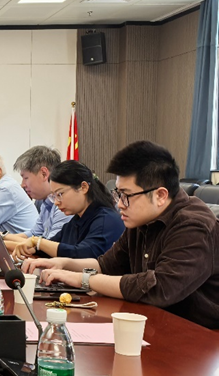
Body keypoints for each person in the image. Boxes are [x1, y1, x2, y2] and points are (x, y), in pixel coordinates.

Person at [24, 141, 219, 329]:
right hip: (151, 321)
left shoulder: (194, 225)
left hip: (199, 334)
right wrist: (62, 264)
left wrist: (82, 279)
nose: (119, 204)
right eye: (118, 194)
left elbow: (160, 288)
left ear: (160, 195)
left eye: (126, 195)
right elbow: (106, 265)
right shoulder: (141, 219)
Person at [12, 160, 124, 261]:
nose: (56, 202)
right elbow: (53, 245)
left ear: (83, 187)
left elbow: (83, 254)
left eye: (60, 194)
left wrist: (37, 242)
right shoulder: (76, 220)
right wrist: (33, 248)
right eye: (53, 196)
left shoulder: (106, 219)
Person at [0, 146, 72, 251]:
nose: (23, 184)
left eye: (26, 178)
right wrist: (0, 237)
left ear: (44, 174)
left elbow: (48, 245)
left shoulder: (63, 205)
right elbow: (33, 234)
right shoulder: (44, 203)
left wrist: (1, 241)